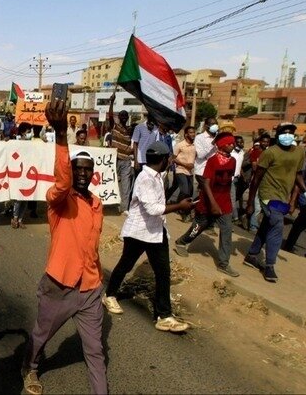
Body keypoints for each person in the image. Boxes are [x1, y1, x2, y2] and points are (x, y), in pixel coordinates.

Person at [22, 100, 107, 395]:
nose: (82, 174)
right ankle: (29, 367)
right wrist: (60, 135)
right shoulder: (59, 200)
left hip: (90, 289)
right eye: (77, 170)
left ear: (93, 173)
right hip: (59, 285)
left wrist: (97, 282)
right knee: (41, 335)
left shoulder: (97, 204)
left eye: (87, 170)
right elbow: (62, 180)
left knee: (95, 351)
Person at [103, 141, 194, 333]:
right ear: (163, 160)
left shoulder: (158, 176)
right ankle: (109, 295)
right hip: (139, 232)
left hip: (156, 232)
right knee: (126, 264)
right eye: (168, 158)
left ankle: (164, 316)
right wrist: (179, 206)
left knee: (163, 272)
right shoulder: (145, 178)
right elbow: (152, 209)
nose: (170, 161)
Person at [244, 123, 306, 282]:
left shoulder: (299, 152)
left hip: (283, 195)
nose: (288, 136)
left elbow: (298, 175)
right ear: (278, 135)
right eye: (284, 133)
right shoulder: (270, 152)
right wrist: (250, 202)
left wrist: (304, 194)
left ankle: (252, 255)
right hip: (268, 194)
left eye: (291, 133)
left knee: (268, 224)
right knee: (277, 225)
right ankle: (270, 265)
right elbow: (257, 178)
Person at [174, 132, 240, 276]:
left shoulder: (233, 161)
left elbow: (228, 184)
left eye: (232, 143)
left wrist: (228, 201)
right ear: (222, 145)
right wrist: (213, 204)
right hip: (208, 201)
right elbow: (206, 183)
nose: (232, 145)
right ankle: (181, 242)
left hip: (225, 202)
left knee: (227, 231)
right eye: (229, 143)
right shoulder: (212, 161)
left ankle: (223, 263)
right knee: (198, 227)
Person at [107, 93, 134, 214]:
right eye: (122, 115)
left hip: (126, 161)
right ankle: (107, 202)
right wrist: (112, 102)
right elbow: (110, 115)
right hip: (115, 159)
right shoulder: (114, 126)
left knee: (125, 185)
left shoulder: (130, 130)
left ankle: (124, 208)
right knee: (109, 181)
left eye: (125, 116)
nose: (124, 117)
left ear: (127, 118)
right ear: (119, 117)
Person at [11, 122, 33, 229]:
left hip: (28, 172)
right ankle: (15, 218)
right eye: (29, 131)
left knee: (26, 198)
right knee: (18, 198)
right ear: (23, 131)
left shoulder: (31, 143)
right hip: (18, 171)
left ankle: (20, 219)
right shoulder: (16, 140)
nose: (30, 133)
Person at [170, 126, 196, 209]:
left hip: (190, 172)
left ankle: (181, 206)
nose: (193, 134)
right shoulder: (180, 145)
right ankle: (179, 207)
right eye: (191, 132)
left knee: (190, 192)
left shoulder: (194, 146)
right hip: (180, 170)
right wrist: (185, 164)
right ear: (186, 134)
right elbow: (173, 158)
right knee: (185, 191)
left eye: (194, 132)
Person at [194, 117, 218, 195]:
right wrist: (213, 143)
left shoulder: (218, 137)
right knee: (209, 194)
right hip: (202, 171)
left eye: (216, 124)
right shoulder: (199, 138)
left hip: (214, 171)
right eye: (213, 124)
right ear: (206, 125)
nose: (215, 126)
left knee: (207, 195)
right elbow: (200, 155)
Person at [230, 136, 246, 223]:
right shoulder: (230, 153)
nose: (240, 144)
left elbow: (240, 167)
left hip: (238, 178)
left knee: (236, 196)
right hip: (231, 178)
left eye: (242, 142)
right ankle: (235, 217)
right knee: (232, 198)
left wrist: (243, 177)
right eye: (238, 142)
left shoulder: (242, 153)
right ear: (235, 143)